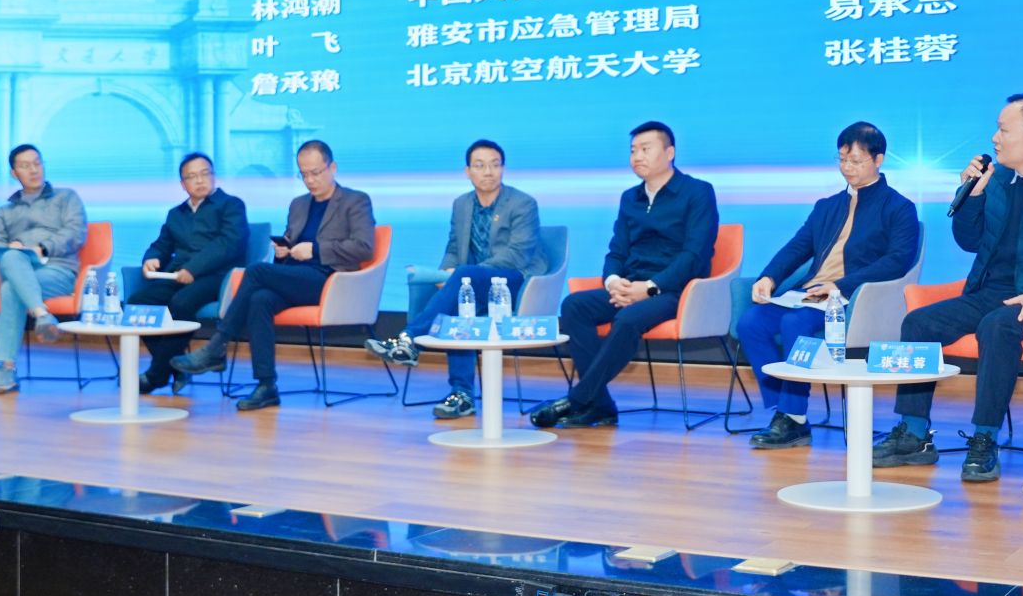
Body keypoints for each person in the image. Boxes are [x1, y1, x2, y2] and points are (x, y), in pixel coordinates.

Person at [877, 94, 1023, 482]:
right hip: (988, 290)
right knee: (918, 323)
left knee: (996, 326)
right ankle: (914, 435)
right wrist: (973, 194)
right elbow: (969, 241)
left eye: (1003, 130)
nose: (994, 138)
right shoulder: (998, 180)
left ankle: (985, 438)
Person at [736, 122, 920, 450]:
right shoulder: (827, 206)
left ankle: (793, 418)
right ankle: (783, 410)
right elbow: (798, 247)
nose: (847, 168)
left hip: (854, 297)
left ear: (878, 159)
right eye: (842, 160)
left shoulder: (899, 207)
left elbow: (897, 261)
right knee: (751, 323)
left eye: (856, 161)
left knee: (794, 323)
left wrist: (840, 285)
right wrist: (769, 277)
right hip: (812, 293)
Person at [535, 122, 719, 430]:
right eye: (633, 150)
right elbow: (616, 251)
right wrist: (613, 281)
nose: (637, 157)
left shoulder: (697, 192)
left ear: (669, 153)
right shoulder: (629, 198)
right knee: (574, 306)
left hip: (677, 291)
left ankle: (578, 399)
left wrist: (650, 288)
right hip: (631, 285)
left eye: (646, 149)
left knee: (627, 319)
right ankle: (600, 405)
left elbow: (694, 255)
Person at [171, 139, 375, 411]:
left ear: (332, 167)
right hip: (298, 277)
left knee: (256, 271)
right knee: (260, 299)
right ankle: (266, 385)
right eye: (303, 174)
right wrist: (284, 251)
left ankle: (216, 346)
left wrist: (315, 249)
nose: (310, 180)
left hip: (331, 281)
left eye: (315, 173)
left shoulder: (355, 201)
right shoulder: (299, 204)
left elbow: (364, 247)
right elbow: (291, 244)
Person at [366, 139, 548, 419]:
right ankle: (462, 396)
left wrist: (464, 274)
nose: (488, 172)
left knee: (465, 277)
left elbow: (517, 255)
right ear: (468, 171)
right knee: (460, 307)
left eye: (495, 165)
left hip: (514, 283)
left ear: (503, 169)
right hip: (473, 285)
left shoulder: (523, 203)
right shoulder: (461, 204)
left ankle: (409, 338)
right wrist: (446, 274)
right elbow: (454, 248)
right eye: (480, 166)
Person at [130, 153, 248, 395]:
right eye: (192, 177)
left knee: (181, 302)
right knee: (136, 304)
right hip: (178, 275)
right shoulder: (176, 214)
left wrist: (194, 269)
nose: (200, 180)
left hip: (217, 277)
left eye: (205, 174)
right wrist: (152, 257)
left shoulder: (231, 205)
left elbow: (228, 244)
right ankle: (176, 367)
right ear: (183, 184)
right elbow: (162, 244)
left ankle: (156, 375)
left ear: (214, 176)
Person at [0, 144, 88, 396]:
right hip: (18, 266)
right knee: (11, 257)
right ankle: (42, 314)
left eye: (37, 163)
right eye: (25, 166)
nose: (34, 170)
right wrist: (11, 251)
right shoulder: (5, 211)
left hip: (57, 270)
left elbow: (75, 233)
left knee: (10, 289)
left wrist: (42, 247)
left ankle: (6, 369)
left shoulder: (66, 198)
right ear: (14, 173)